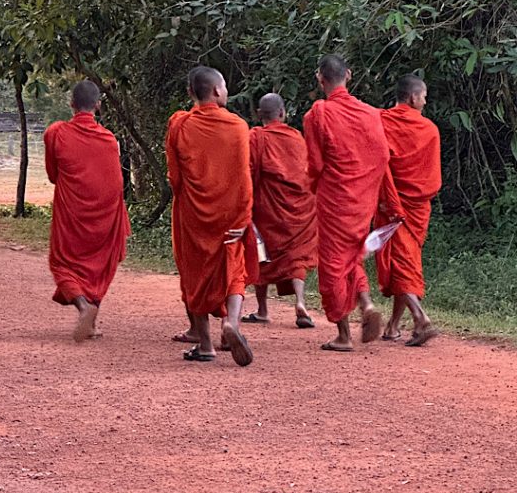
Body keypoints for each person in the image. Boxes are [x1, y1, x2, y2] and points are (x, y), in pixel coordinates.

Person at [303, 55, 402, 352]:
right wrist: (368, 187)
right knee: (351, 256)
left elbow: (315, 164)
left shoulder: (317, 115)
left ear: (321, 80)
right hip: (362, 202)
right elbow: (383, 157)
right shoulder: (371, 114)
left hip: (335, 200)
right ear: (349, 75)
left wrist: (313, 188)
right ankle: (367, 303)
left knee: (333, 264)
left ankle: (343, 334)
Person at [166, 66, 254, 366]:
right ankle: (232, 323)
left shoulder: (180, 125)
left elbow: (175, 178)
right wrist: (243, 218)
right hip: (230, 212)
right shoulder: (239, 127)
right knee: (234, 268)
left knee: (195, 274)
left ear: (192, 93)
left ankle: (205, 345)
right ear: (217, 91)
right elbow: (244, 177)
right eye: (226, 87)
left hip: (193, 212)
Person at [44, 80, 131, 342]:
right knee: (98, 264)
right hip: (105, 215)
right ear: (98, 106)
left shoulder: (56, 133)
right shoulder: (109, 139)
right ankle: (91, 320)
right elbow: (116, 182)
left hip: (71, 211)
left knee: (62, 263)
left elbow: (53, 175)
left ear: (71, 105)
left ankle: (84, 308)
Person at [241, 93, 317, 329]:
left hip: (268, 207)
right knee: (297, 256)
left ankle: (263, 310)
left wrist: (246, 201)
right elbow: (308, 170)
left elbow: (248, 171)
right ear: (283, 113)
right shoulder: (296, 137)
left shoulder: (256, 137)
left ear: (259, 115)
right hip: (300, 207)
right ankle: (301, 301)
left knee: (261, 255)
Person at [376, 75, 441, 346]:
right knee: (406, 263)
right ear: (413, 98)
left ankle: (420, 317)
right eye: (424, 96)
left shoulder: (381, 122)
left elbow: (377, 161)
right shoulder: (430, 129)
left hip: (394, 204)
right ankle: (392, 327)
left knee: (402, 264)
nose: (425, 102)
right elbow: (432, 176)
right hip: (416, 206)